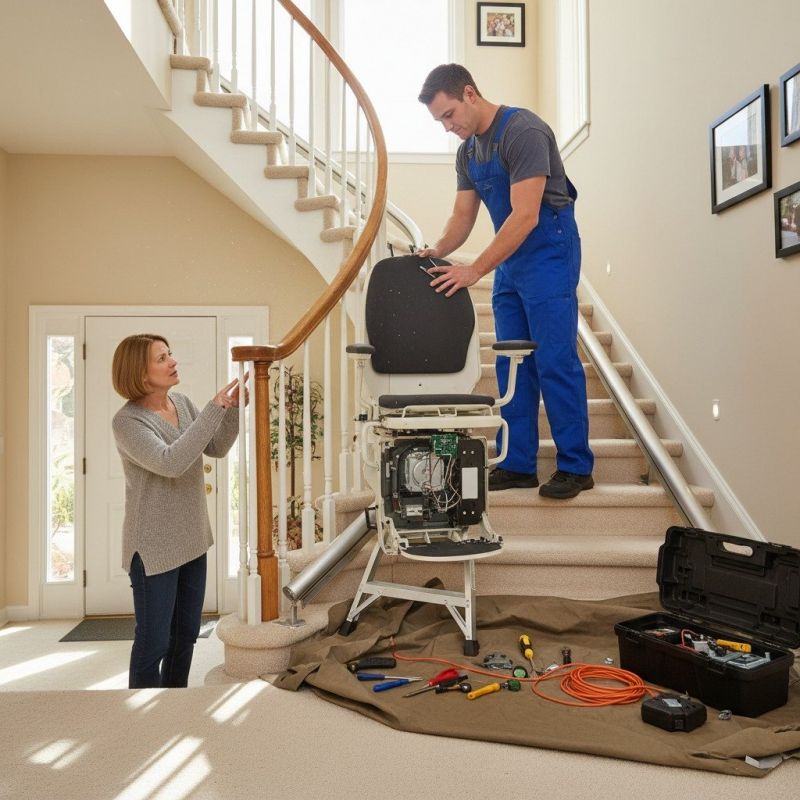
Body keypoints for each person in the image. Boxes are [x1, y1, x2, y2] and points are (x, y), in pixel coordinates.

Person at [417, 64, 593, 499]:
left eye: (449, 114)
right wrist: (437, 249)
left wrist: (475, 270)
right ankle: (518, 463)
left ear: (470, 93)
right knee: (511, 362)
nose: (447, 126)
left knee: (554, 359)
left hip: (548, 249)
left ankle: (575, 466)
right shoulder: (467, 153)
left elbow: (527, 214)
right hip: (511, 260)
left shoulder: (523, 131)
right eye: (440, 120)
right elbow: (462, 216)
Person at [111, 333, 247, 688]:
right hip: (153, 548)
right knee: (153, 642)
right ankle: (141, 709)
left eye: (170, 354)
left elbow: (215, 446)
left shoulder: (182, 404)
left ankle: (173, 704)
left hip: (192, 538)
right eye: (161, 358)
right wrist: (214, 409)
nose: (172, 361)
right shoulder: (127, 422)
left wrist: (231, 411)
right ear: (139, 373)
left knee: (185, 636)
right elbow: (171, 462)